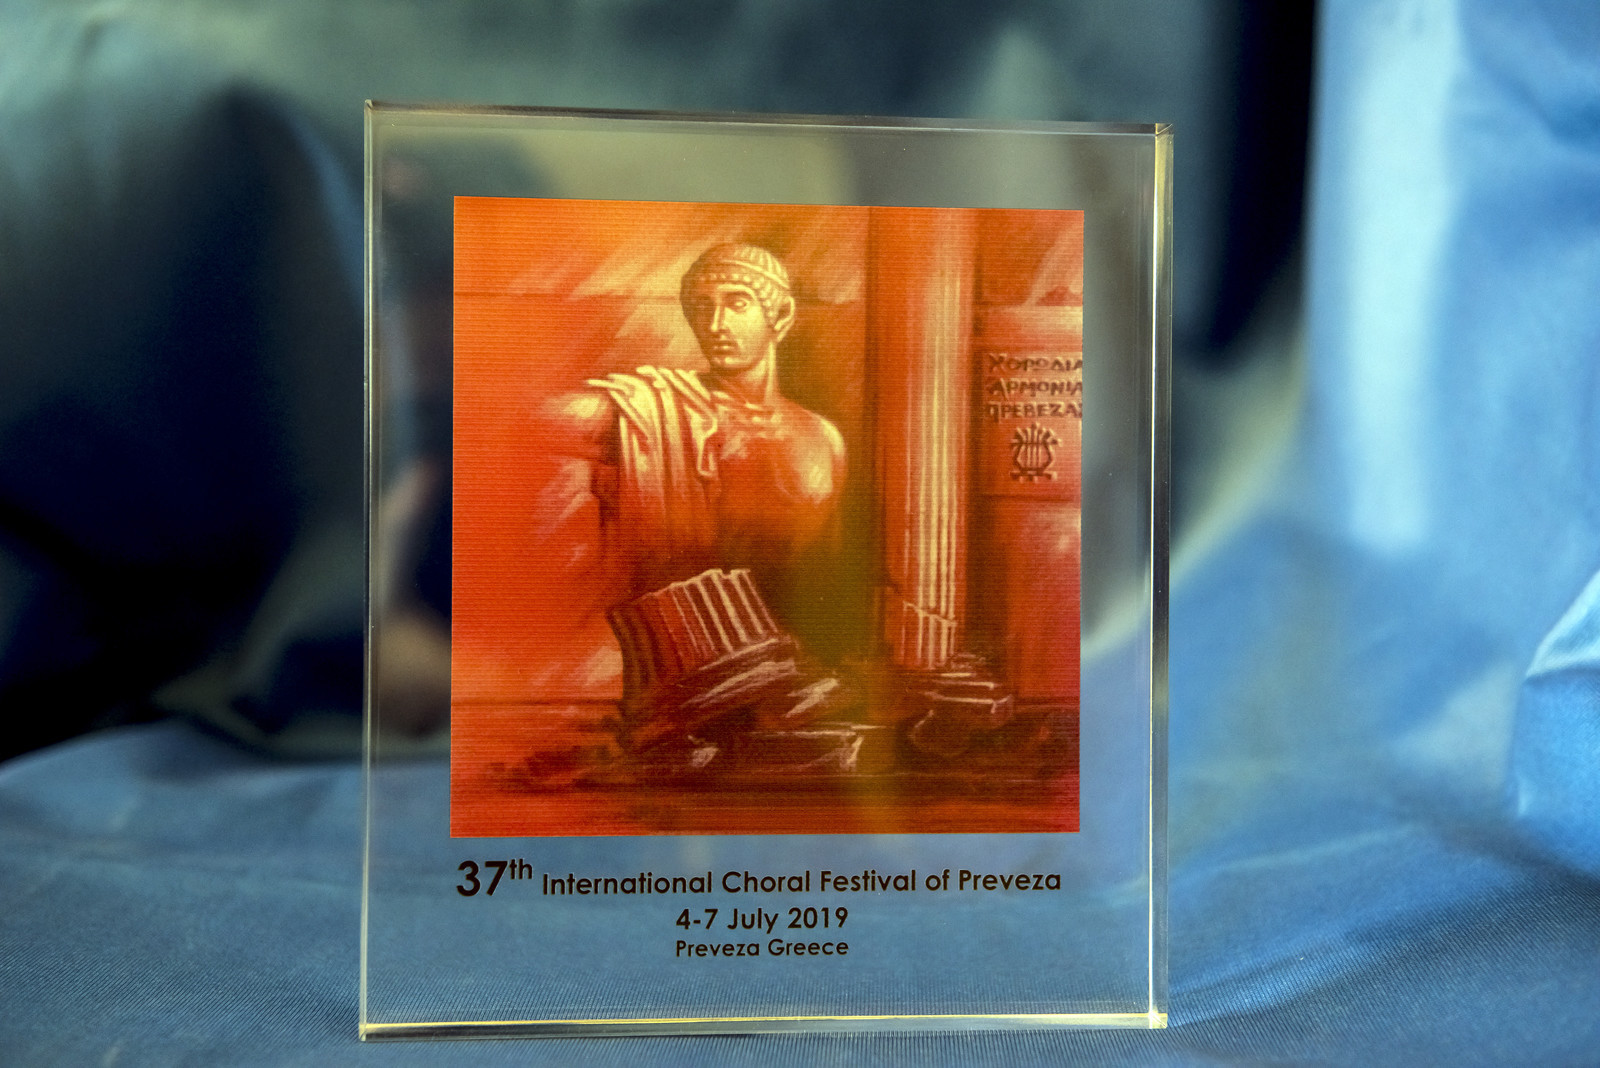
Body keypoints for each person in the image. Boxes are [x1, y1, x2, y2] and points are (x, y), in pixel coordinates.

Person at [544, 244, 853, 759]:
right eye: (702, 307)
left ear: (779, 316)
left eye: (736, 303)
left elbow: (825, 573)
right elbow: (532, 420)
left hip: (794, 686)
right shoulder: (654, 413)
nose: (715, 324)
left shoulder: (823, 440)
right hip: (679, 687)